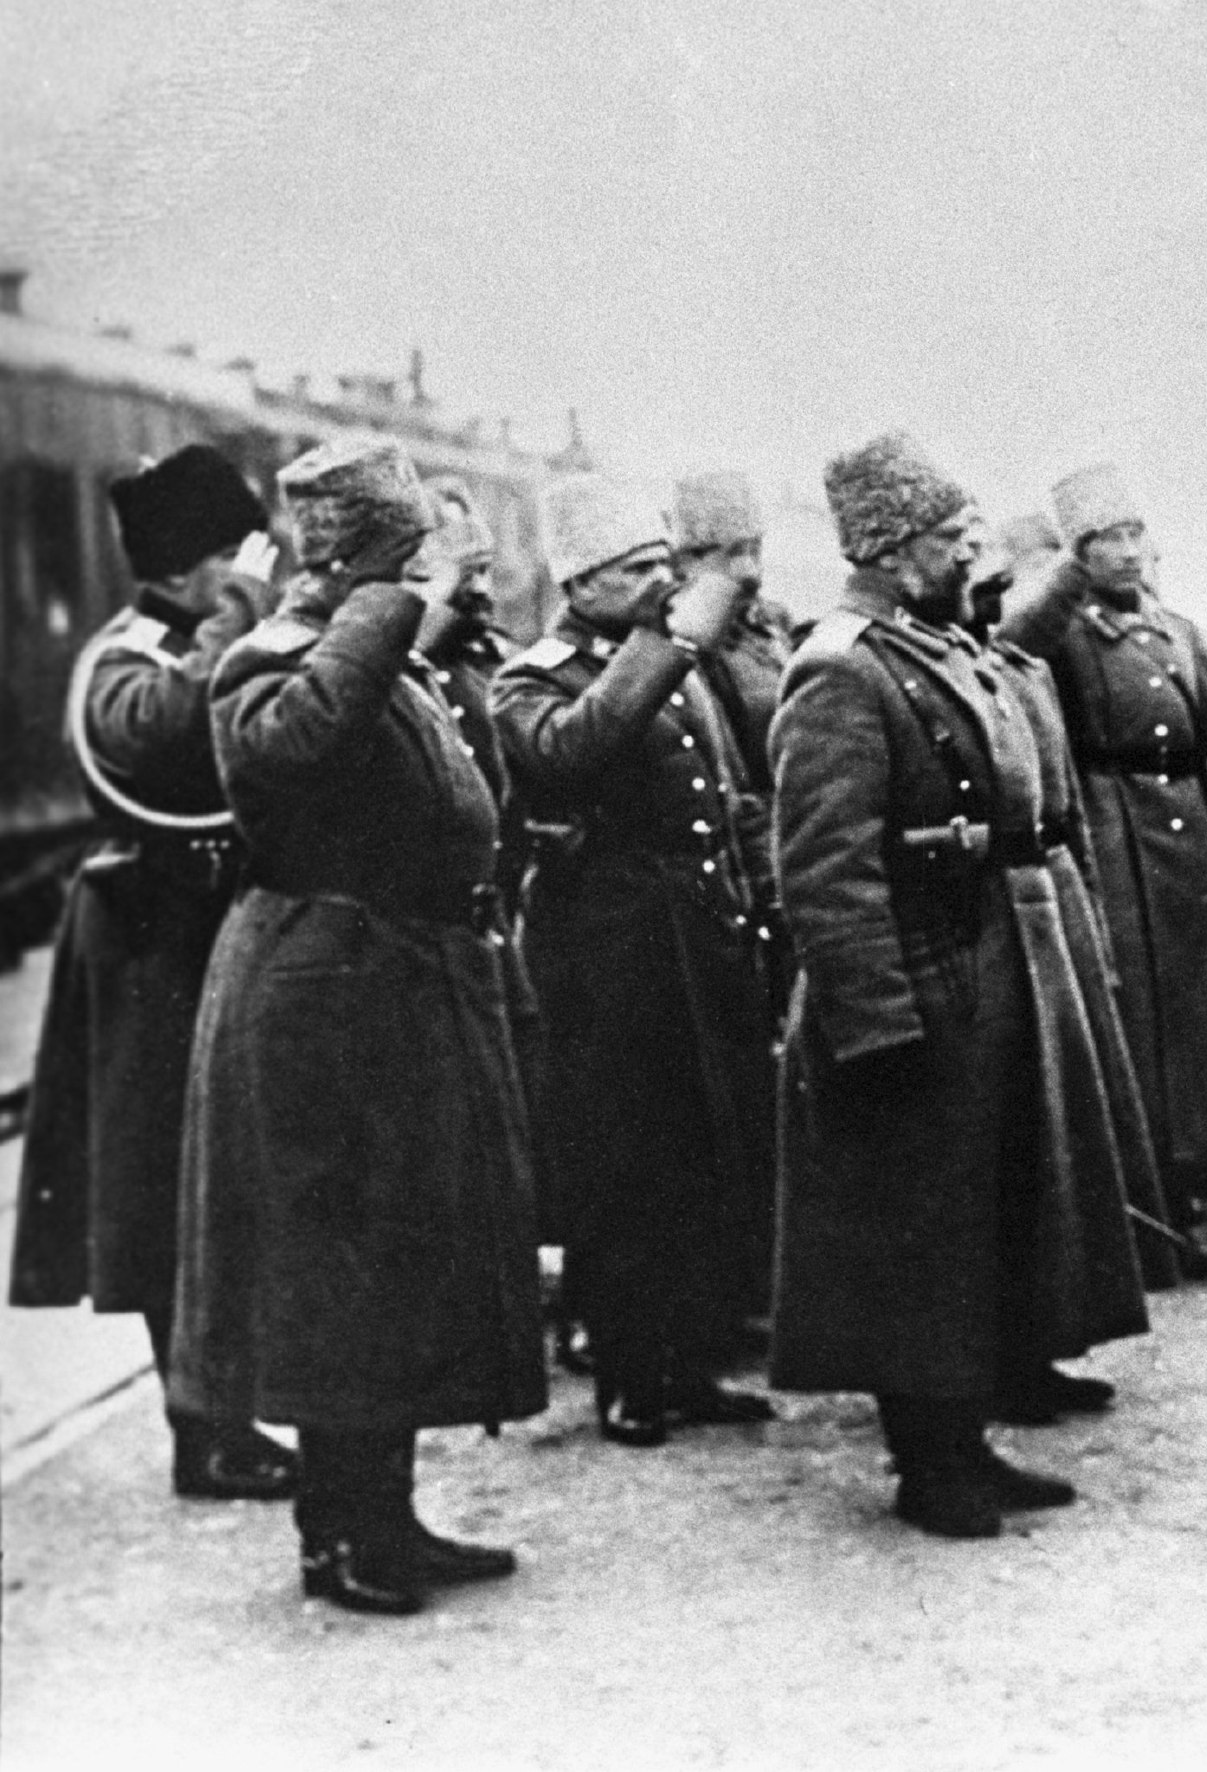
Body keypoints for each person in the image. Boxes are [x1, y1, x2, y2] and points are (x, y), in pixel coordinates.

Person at [173, 437, 545, 1615]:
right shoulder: (265, 661)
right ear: (366, 562)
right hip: (322, 999)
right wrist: (387, 600)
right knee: (337, 1269)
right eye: (406, 554)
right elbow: (295, 745)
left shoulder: (377, 657)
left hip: (394, 986)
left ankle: (386, 1514)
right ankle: (336, 1536)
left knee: (400, 1262)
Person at [768, 433, 1154, 1539]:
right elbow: (825, 867)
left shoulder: (930, 645)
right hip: (913, 984)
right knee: (918, 1233)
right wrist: (875, 1021)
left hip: (973, 967)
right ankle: (929, 1464)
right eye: (949, 539)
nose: (968, 557)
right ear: (894, 552)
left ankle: (965, 1441)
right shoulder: (842, 667)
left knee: (974, 1218)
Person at [10, 444, 298, 1502]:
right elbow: (160, 731)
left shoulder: (203, 640)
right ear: (182, 570)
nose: (253, 574)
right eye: (231, 558)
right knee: (165, 1191)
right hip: (151, 946)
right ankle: (203, 1428)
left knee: (231, 1184)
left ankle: (227, 1412)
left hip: (207, 928)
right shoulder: (127, 657)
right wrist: (242, 615)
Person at [492, 476, 777, 1448]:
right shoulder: (534, 676)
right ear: (582, 583)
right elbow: (570, 750)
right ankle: (628, 1373)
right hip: (608, 959)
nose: (662, 581)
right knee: (624, 1169)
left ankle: (690, 1365)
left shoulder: (676, 662)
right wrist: (664, 645)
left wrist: (757, 901)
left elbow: (729, 800)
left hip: (697, 940)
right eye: (637, 568)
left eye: (664, 563)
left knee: (702, 1155)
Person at [999, 463, 1207, 1224]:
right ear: (1077, 553)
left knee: (1199, 1001)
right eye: (1103, 539)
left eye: (1133, 534)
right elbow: (1013, 640)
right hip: (1113, 825)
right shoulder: (1065, 632)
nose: (1125, 551)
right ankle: (1151, 1175)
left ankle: (1197, 1150)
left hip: (1187, 832)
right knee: (1139, 1006)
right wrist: (1064, 577)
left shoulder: (1179, 630)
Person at [668, 469, 797, 1345]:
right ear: (687, 559)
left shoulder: (770, 629)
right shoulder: (690, 642)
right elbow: (728, 778)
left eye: (753, 548)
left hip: (792, 848)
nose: (746, 569)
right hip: (748, 863)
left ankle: (766, 1271)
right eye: (725, 552)